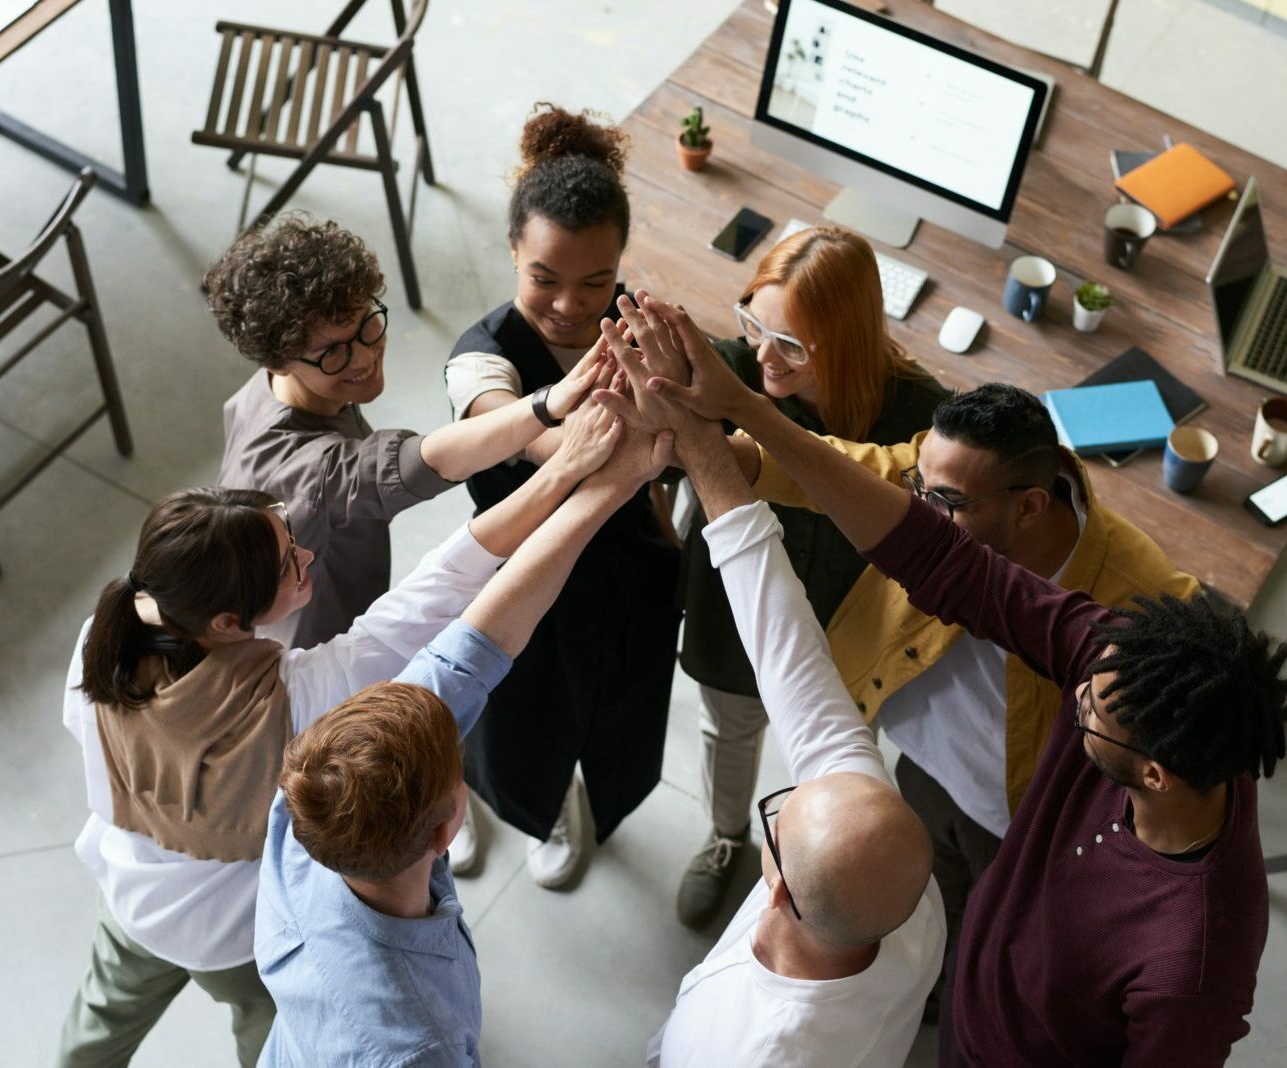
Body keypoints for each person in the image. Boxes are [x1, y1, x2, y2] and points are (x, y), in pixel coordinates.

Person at [607, 296, 1287, 1067]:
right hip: (968, 987)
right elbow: (938, 556)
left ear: (1150, 772)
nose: (1073, 695)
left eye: (1089, 716)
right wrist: (732, 415)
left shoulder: (1194, 959)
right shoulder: (1119, 664)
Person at [57, 404, 618, 1067]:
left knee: (95, 1031)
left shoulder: (105, 637)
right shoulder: (299, 702)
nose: (307, 557)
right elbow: (435, 594)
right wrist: (563, 473)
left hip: (129, 897)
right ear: (233, 622)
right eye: (290, 564)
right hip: (233, 936)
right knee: (271, 1035)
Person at [745, 383, 1200, 1017]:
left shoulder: (1139, 598)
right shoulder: (945, 472)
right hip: (922, 768)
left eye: (947, 503)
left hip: (1010, 818)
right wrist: (738, 457)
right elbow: (847, 467)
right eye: (919, 486)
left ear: (1032, 506)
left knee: (980, 951)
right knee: (920, 905)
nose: (919, 513)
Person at [255, 423, 671, 1067]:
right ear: (447, 828)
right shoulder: (419, 1044)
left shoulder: (307, 808)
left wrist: (611, 483)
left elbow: (475, 646)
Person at [631, 340, 943, 1068]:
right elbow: (790, 655)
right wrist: (707, 447)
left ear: (773, 889)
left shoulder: (759, 1052)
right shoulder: (904, 898)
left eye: (775, 821)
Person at [667, 226, 948, 928]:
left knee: (834, 772)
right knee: (727, 732)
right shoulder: (725, 373)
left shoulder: (923, 421)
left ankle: (811, 873)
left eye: (789, 343)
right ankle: (727, 836)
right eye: (753, 324)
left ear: (848, 343)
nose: (762, 354)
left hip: (852, 640)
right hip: (734, 620)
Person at [442, 103, 680, 889]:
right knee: (503, 714)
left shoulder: (646, 330)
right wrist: (586, 440)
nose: (571, 305)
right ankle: (469, 803)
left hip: (621, 574)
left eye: (596, 282)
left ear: (621, 265)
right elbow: (512, 429)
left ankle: (567, 809)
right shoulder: (481, 360)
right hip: (518, 570)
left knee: (613, 717)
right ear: (512, 250)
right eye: (543, 277)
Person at [209, 214, 606, 651]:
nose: (362, 358)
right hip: (324, 651)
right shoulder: (309, 474)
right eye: (332, 353)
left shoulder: (264, 394)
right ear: (278, 360)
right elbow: (425, 460)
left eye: (366, 326)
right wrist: (548, 404)